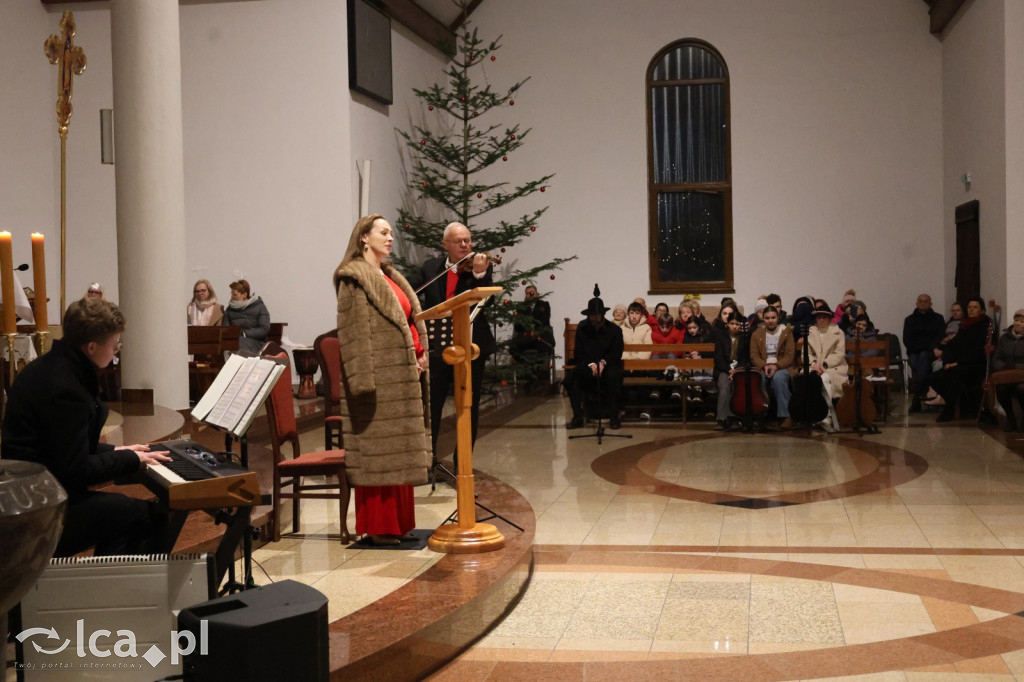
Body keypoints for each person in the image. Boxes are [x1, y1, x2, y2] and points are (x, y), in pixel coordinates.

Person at [1, 298, 171, 556]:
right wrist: (129, 458)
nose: (116, 351)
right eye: (114, 345)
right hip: (39, 512)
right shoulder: (65, 388)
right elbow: (75, 469)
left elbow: (62, 446)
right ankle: (111, 593)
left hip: (30, 494)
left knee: (123, 512)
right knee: (144, 516)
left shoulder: (51, 368)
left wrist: (116, 449)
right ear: (92, 347)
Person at [333, 214, 430, 545]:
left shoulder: (388, 275)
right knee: (379, 457)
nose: (390, 238)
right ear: (364, 237)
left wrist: (420, 353)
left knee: (398, 454)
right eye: (384, 232)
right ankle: (379, 526)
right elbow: (354, 335)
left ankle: (399, 524)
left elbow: (407, 321)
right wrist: (363, 381)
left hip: (401, 377)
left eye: (392, 233)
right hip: (379, 382)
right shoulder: (354, 278)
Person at [411, 222, 497, 458]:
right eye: (458, 241)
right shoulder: (431, 268)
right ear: (445, 244)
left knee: (468, 406)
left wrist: (479, 274)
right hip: (439, 345)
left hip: (471, 345)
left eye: (467, 240)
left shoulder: (480, 267)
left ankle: (463, 463)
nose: (465, 245)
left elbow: (487, 301)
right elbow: (410, 291)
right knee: (433, 405)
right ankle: (430, 459)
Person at [566, 287, 624, 430]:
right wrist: (591, 364)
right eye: (592, 315)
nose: (595, 319)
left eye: (597, 315)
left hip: (608, 365)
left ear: (603, 315)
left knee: (613, 375)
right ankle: (577, 416)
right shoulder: (583, 328)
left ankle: (614, 417)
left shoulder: (614, 330)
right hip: (588, 366)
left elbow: (616, 353)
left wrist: (603, 363)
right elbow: (579, 352)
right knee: (573, 376)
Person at [933, 297, 992, 423]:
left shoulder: (985, 325)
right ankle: (959, 405)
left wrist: (957, 363)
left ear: (982, 310)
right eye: (969, 307)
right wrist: (947, 360)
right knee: (935, 377)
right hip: (960, 363)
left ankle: (949, 409)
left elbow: (978, 351)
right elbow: (955, 345)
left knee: (953, 375)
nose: (971, 309)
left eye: (975, 307)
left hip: (975, 364)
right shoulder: (965, 325)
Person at [803, 302, 848, 432]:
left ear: (829, 318)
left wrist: (825, 364)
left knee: (824, 378)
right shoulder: (810, 331)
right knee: (811, 378)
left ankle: (825, 417)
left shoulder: (838, 332)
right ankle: (813, 416)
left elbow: (839, 353)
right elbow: (806, 353)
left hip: (834, 367)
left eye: (824, 317)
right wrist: (813, 364)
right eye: (819, 317)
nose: (821, 320)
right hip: (814, 366)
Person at [750, 306, 796, 428]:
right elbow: (754, 355)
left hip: (782, 366)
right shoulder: (757, 333)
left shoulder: (786, 332)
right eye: (767, 318)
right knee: (759, 379)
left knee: (778, 379)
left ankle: (786, 416)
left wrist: (776, 366)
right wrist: (764, 365)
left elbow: (790, 355)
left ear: (778, 318)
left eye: (773, 317)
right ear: (763, 319)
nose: (770, 320)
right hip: (763, 366)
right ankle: (761, 414)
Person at [902, 293, 947, 412]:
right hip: (914, 352)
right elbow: (907, 340)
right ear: (916, 303)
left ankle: (916, 398)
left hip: (932, 352)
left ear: (931, 303)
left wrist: (931, 348)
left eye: (925, 301)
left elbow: (940, 337)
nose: (923, 303)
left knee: (923, 358)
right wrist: (927, 346)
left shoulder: (938, 318)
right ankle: (927, 389)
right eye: (920, 301)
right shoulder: (909, 320)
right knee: (920, 361)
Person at [510, 284, 555, 372]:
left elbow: (544, 321)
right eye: (527, 293)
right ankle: (529, 367)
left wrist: (527, 322)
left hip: (540, 338)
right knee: (513, 349)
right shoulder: (520, 308)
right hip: (526, 338)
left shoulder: (544, 305)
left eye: (531, 293)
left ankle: (538, 370)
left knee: (545, 349)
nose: (529, 295)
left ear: (537, 294)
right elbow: (517, 326)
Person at [993, 308, 1024, 432]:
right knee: (1001, 389)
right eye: (1016, 320)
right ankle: (1010, 418)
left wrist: (1016, 368)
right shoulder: (1004, 338)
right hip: (1007, 375)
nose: (1018, 323)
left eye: (1022, 321)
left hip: (1022, 376)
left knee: (1022, 389)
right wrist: (1003, 367)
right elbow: (996, 358)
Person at [713, 311, 744, 430]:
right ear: (727, 324)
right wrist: (729, 370)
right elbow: (718, 358)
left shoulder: (744, 337)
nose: (734, 326)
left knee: (737, 386)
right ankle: (721, 418)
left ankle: (734, 418)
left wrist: (736, 370)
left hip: (739, 370)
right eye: (732, 323)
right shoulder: (721, 336)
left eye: (737, 324)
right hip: (724, 369)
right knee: (724, 385)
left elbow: (745, 357)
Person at [222, 279, 270, 353]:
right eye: (231, 294)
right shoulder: (229, 310)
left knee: (239, 343)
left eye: (235, 294)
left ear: (244, 294)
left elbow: (264, 329)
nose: (232, 297)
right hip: (236, 342)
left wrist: (245, 333)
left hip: (257, 343)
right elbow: (226, 330)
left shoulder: (259, 306)